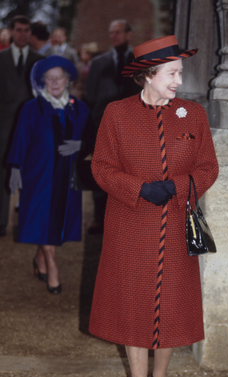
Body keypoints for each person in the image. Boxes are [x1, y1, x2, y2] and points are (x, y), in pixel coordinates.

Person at [89, 35, 219, 377]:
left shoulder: (193, 114)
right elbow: (101, 167)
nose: (179, 80)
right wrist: (139, 189)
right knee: (134, 310)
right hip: (131, 225)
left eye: (180, 73)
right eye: (173, 73)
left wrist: (178, 187)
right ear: (148, 75)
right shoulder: (116, 114)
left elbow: (208, 167)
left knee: (172, 309)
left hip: (177, 226)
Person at [7, 55, 93, 293]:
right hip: (39, 174)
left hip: (67, 176)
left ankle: (41, 257)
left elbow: (93, 138)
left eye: (59, 78)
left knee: (58, 219)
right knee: (41, 216)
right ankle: (52, 266)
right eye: (49, 78)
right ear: (42, 81)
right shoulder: (31, 109)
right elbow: (20, 139)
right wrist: (15, 168)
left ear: (68, 80)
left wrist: (80, 146)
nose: (54, 83)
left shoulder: (80, 108)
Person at [85, 19, 140, 234]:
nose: (114, 36)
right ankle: (99, 218)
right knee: (102, 170)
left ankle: (124, 217)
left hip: (131, 127)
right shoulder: (99, 63)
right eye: (112, 33)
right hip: (102, 125)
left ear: (128, 35)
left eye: (118, 32)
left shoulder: (139, 61)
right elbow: (90, 95)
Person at [0, 15, 43, 237]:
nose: (23, 33)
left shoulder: (40, 60)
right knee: (1, 177)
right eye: (18, 29)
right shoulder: (1, 58)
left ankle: (27, 223)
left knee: (30, 176)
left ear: (30, 33)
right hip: (3, 128)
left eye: (27, 30)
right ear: (12, 31)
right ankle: (0, 223)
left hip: (31, 130)